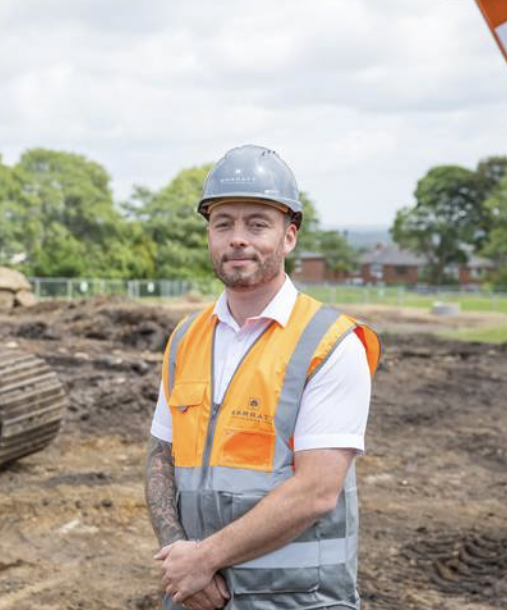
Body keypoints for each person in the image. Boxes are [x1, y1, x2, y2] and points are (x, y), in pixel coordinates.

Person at [145, 144, 381, 610]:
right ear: (209, 235)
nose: (237, 239)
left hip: (296, 600)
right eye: (223, 224)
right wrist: (181, 560)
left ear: (289, 237)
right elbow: (160, 458)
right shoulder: (187, 338)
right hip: (196, 595)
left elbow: (316, 491)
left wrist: (205, 558)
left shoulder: (331, 344)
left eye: (256, 225)